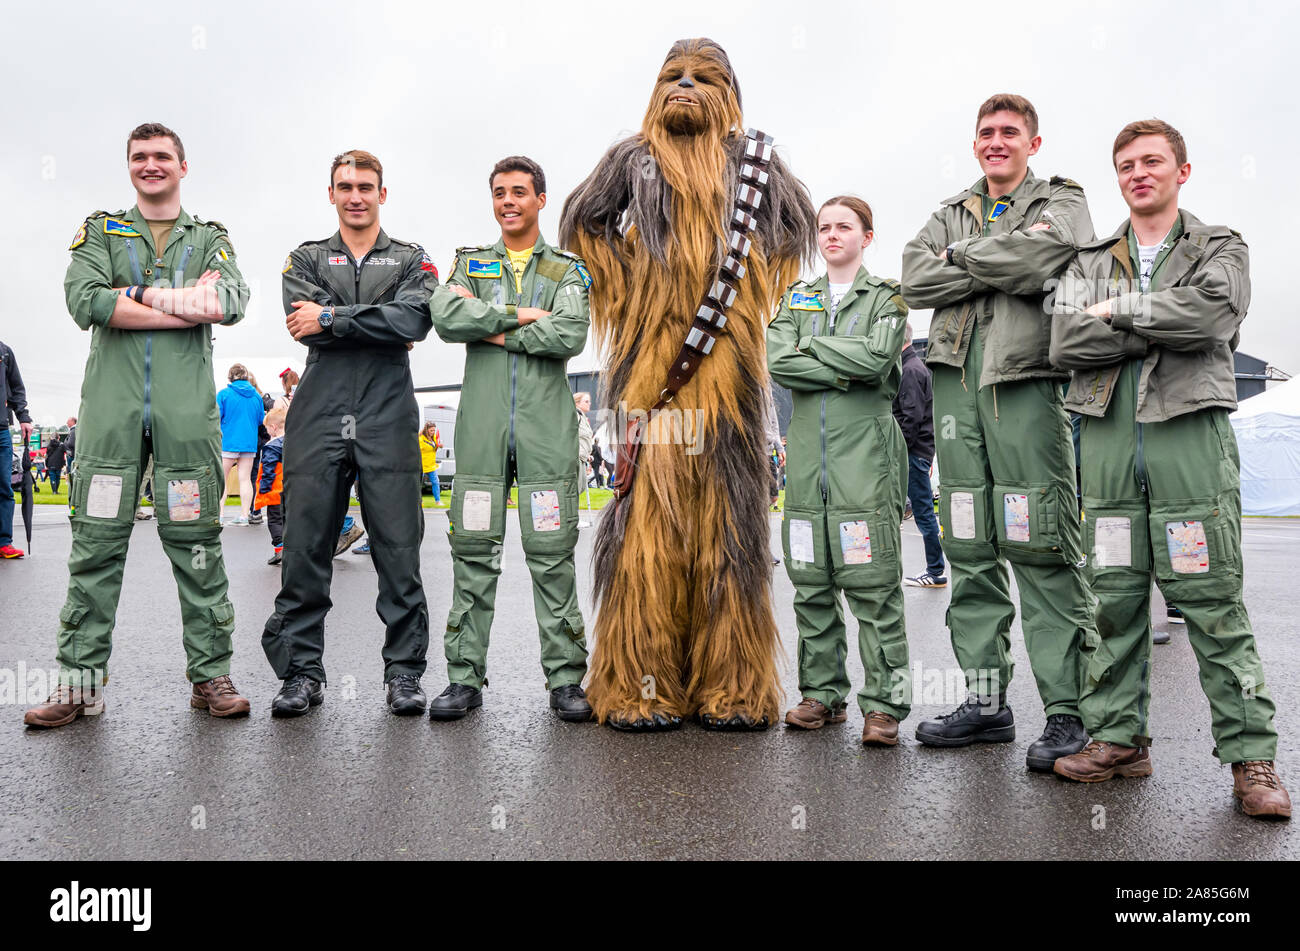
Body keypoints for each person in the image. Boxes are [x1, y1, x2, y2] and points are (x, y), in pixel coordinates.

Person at [1049, 119, 1290, 818]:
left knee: (1211, 599)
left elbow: (1213, 315)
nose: (1138, 173)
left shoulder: (1219, 246)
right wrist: (1158, 321)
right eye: (1125, 164)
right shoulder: (1087, 258)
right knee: (1113, 596)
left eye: (1152, 161)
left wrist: (1119, 309)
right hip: (1107, 442)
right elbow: (1064, 339)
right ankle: (1121, 739)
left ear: (1182, 171)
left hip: (1187, 434)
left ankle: (1252, 758)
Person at [25, 121, 251, 727]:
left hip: (185, 421)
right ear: (130, 165)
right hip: (111, 419)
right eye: (139, 156)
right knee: (95, 550)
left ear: (183, 166)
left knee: (198, 546)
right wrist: (179, 305)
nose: (150, 165)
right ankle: (78, 683)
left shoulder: (209, 238)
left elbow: (228, 301)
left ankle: (211, 677)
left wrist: (136, 298)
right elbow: (86, 300)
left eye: (162, 156)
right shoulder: (101, 230)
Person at [901, 94, 1096, 771]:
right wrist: (992, 252)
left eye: (1009, 132)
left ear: (1032, 144)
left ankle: (1070, 710)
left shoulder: (1062, 199)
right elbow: (914, 275)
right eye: (985, 131)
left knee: (1040, 542)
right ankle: (987, 704)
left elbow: (1043, 261)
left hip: (1025, 384)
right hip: (956, 387)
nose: (996, 141)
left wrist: (963, 256)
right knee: (970, 544)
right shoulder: (949, 209)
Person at [262, 148, 441, 719]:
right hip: (320, 412)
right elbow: (300, 323)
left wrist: (335, 317)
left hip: (388, 413)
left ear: (382, 194)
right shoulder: (306, 257)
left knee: (397, 547)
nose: (356, 195)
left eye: (366, 186)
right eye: (345, 186)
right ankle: (300, 674)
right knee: (306, 544)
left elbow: (415, 320)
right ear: (332, 193)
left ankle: (405, 674)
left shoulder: (412, 258)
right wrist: (376, 321)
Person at [432, 154, 592, 722]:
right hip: (482, 426)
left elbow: (569, 333)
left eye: (519, 192)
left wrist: (493, 327)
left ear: (540, 200)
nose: (508, 201)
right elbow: (448, 317)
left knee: (552, 553)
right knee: (473, 549)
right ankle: (462, 677)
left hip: (547, 429)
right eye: (499, 192)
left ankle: (567, 679)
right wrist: (522, 316)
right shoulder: (469, 263)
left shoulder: (568, 269)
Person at [768, 195, 911, 745]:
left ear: (866, 236)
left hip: (865, 458)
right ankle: (822, 695)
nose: (831, 235)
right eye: (824, 227)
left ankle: (884, 706)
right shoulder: (797, 296)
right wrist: (843, 361)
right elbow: (778, 361)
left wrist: (813, 348)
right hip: (807, 462)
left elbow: (878, 360)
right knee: (812, 583)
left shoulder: (888, 298)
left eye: (843, 226)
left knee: (873, 585)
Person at [892, 322, 946, 587]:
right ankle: (935, 569)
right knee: (922, 510)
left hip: (912, 452)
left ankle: (936, 570)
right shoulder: (914, 367)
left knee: (924, 512)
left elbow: (910, 418)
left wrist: (897, 451)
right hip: (919, 451)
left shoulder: (910, 370)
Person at [217, 364, 264, 525]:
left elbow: (216, 417)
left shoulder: (223, 394)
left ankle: (220, 515)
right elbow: (260, 420)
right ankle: (244, 515)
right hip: (249, 442)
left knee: (222, 478)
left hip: (228, 441)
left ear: (230, 377)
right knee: (245, 479)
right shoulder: (257, 396)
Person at [1, 337, 33, 559]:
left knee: (4, 486)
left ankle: (4, 542)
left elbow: (16, 387)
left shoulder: (4, 352)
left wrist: (23, 417)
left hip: (1, 429)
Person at [255, 407, 287, 566]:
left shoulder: (271, 446)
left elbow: (268, 468)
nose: (266, 432)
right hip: (290, 490)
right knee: (287, 520)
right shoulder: (293, 442)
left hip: (275, 491)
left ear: (273, 428)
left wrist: (264, 488)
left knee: (274, 521)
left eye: (267, 428)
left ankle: (280, 549)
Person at [419, 420, 442, 503]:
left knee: (436, 482)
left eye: (434, 430)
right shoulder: (421, 438)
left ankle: (438, 501)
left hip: (431, 465)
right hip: (422, 466)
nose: (433, 432)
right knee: (418, 485)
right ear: (426, 429)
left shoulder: (434, 437)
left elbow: (437, 445)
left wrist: (440, 446)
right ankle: (419, 501)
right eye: (431, 430)